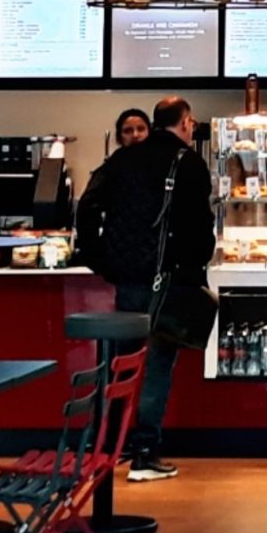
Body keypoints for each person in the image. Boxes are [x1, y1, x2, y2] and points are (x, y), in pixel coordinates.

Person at [74, 96, 214, 481]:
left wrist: (99, 258)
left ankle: (108, 448)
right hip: (167, 278)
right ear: (184, 122)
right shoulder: (189, 163)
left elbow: (86, 206)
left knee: (123, 364)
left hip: (128, 279)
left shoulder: (123, 159)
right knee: (157, 366)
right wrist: (197, 264)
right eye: (191, 122)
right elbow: (200, 227)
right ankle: (145, 453)